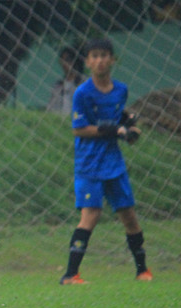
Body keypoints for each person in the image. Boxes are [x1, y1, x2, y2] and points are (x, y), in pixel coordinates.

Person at [60, 37, 151, 285]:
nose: (100, 61)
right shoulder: (82, 93)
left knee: (129, 215)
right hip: (89, 165)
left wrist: (130, 126)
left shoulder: (121, 90)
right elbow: (79, 129)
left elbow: (118, 116)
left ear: (112, 59)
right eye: (95, 56)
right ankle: (70, 274)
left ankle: (142, 270)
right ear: (88, 62)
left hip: (114, 164)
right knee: (91, 214)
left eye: (104, 56)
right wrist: (116, 131)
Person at [46, 46, 85, 115]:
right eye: (62, 60)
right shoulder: (58, 85)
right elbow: (51, 108)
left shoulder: (84, 83)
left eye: (67, 60)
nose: (64, 63)